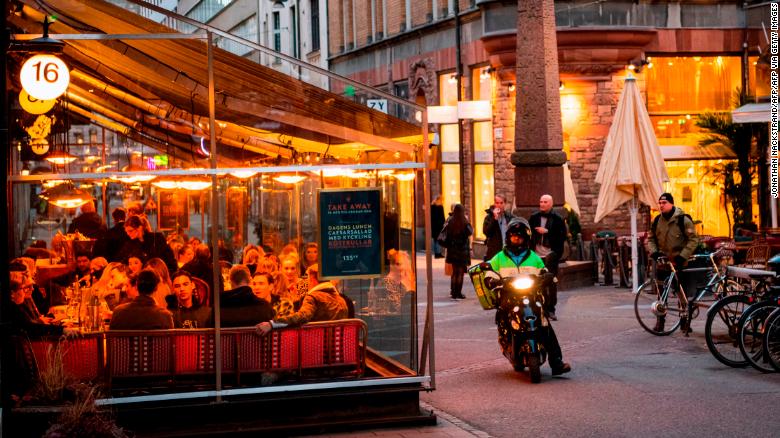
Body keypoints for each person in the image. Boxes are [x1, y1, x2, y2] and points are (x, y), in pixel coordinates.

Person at [488, 218, 571, 376]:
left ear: (526, 238)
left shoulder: (533, 257)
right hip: (509, 297)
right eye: (513, 236)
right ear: (508, 238)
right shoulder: (500, 257)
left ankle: (556, 362)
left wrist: (548, 276)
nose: (516, 239)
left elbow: (543, 270)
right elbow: (489, 270)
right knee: (504, 316)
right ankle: (508, 341)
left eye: (519, 237)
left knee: (545, 324)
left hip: (531, 296)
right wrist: (490, 278)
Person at [647, 192, 701, 332]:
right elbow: (651, 238)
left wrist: (683, 256)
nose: (661, 205)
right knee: (661, 295)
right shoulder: (657, 220)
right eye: (659, 203)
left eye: (664, 203)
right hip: (663, 264)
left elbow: (694, 239)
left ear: (671, 203)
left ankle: (684, 321)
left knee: (681, 294)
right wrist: (654, 252)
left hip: (679, 263)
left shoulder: (683, 219)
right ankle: (660, 322)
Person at [255, 264, 349, 335]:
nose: (305, 282)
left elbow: (302, 316)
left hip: (318, 346)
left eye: (307, 279)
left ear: (312, 279)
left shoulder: (313, 297)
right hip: (338, 348)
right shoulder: (341, 299)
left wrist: (272, 324)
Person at [529, 194, 567, 320]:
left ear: (551, 204)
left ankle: (551, 310)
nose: (542, 204)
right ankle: (537, 309)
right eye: (541, 201)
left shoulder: (557, 219)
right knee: (534, 283)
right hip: (536, 256)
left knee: (550, 284)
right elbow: (528, 234)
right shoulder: (534, 217)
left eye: (545, 202)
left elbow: (562, 237)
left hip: (550, 255)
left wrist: (547, 232)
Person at [109, 269, 174, 330]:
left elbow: (111, 340)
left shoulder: (118, 312)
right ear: (156, 288)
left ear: (136, 286)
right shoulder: (165, 315)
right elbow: (171, 341)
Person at [437, 204, 473, 300]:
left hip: (453, 251)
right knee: (460, 272)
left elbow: (445, 235)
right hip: (462, 252)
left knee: (454, 272)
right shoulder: (464, 222)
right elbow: (470, 232)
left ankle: (453, 292)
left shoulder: (450, 221)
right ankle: (458, 293)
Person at [483, 195, 513, 261]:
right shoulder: (489, 217)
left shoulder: (509, 217)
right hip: (494, 253)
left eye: (501, 203)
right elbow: (486, 232)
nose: (499, 205)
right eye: (497, 203)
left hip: (507, 252)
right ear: (494, 204)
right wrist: (495, 219)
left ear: (505, 204)